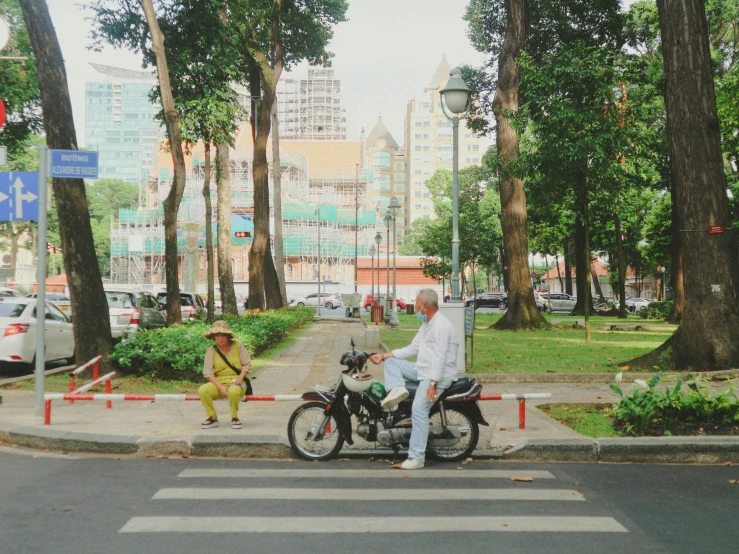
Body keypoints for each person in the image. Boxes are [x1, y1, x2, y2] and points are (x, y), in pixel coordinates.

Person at [369, 288, 459, 470]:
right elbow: (412, 348)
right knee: (392, 363)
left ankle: (417, 458)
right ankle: (397, 391)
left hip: (437, 375)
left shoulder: (441, 326)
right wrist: (384, 355)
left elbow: (440, 358)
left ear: (425, 306)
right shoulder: (427, 324)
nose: (415, 308)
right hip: (422, 370)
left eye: (417, 304)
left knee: (418, 410)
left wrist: (432, 385)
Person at [198, 320, 252, 430]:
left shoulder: (238, 346)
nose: (220, 338)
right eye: (217, 335)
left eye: (223, 335)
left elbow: (247, 365)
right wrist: (220, 387)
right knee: (203, 390)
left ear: (228, 336)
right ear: (213, 336)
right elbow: (208, 373)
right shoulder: (211, 350)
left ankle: (234, 417)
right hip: (219, 381)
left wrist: (240, 378)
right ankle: (212, 417)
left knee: (234, 391)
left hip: (239, 382)